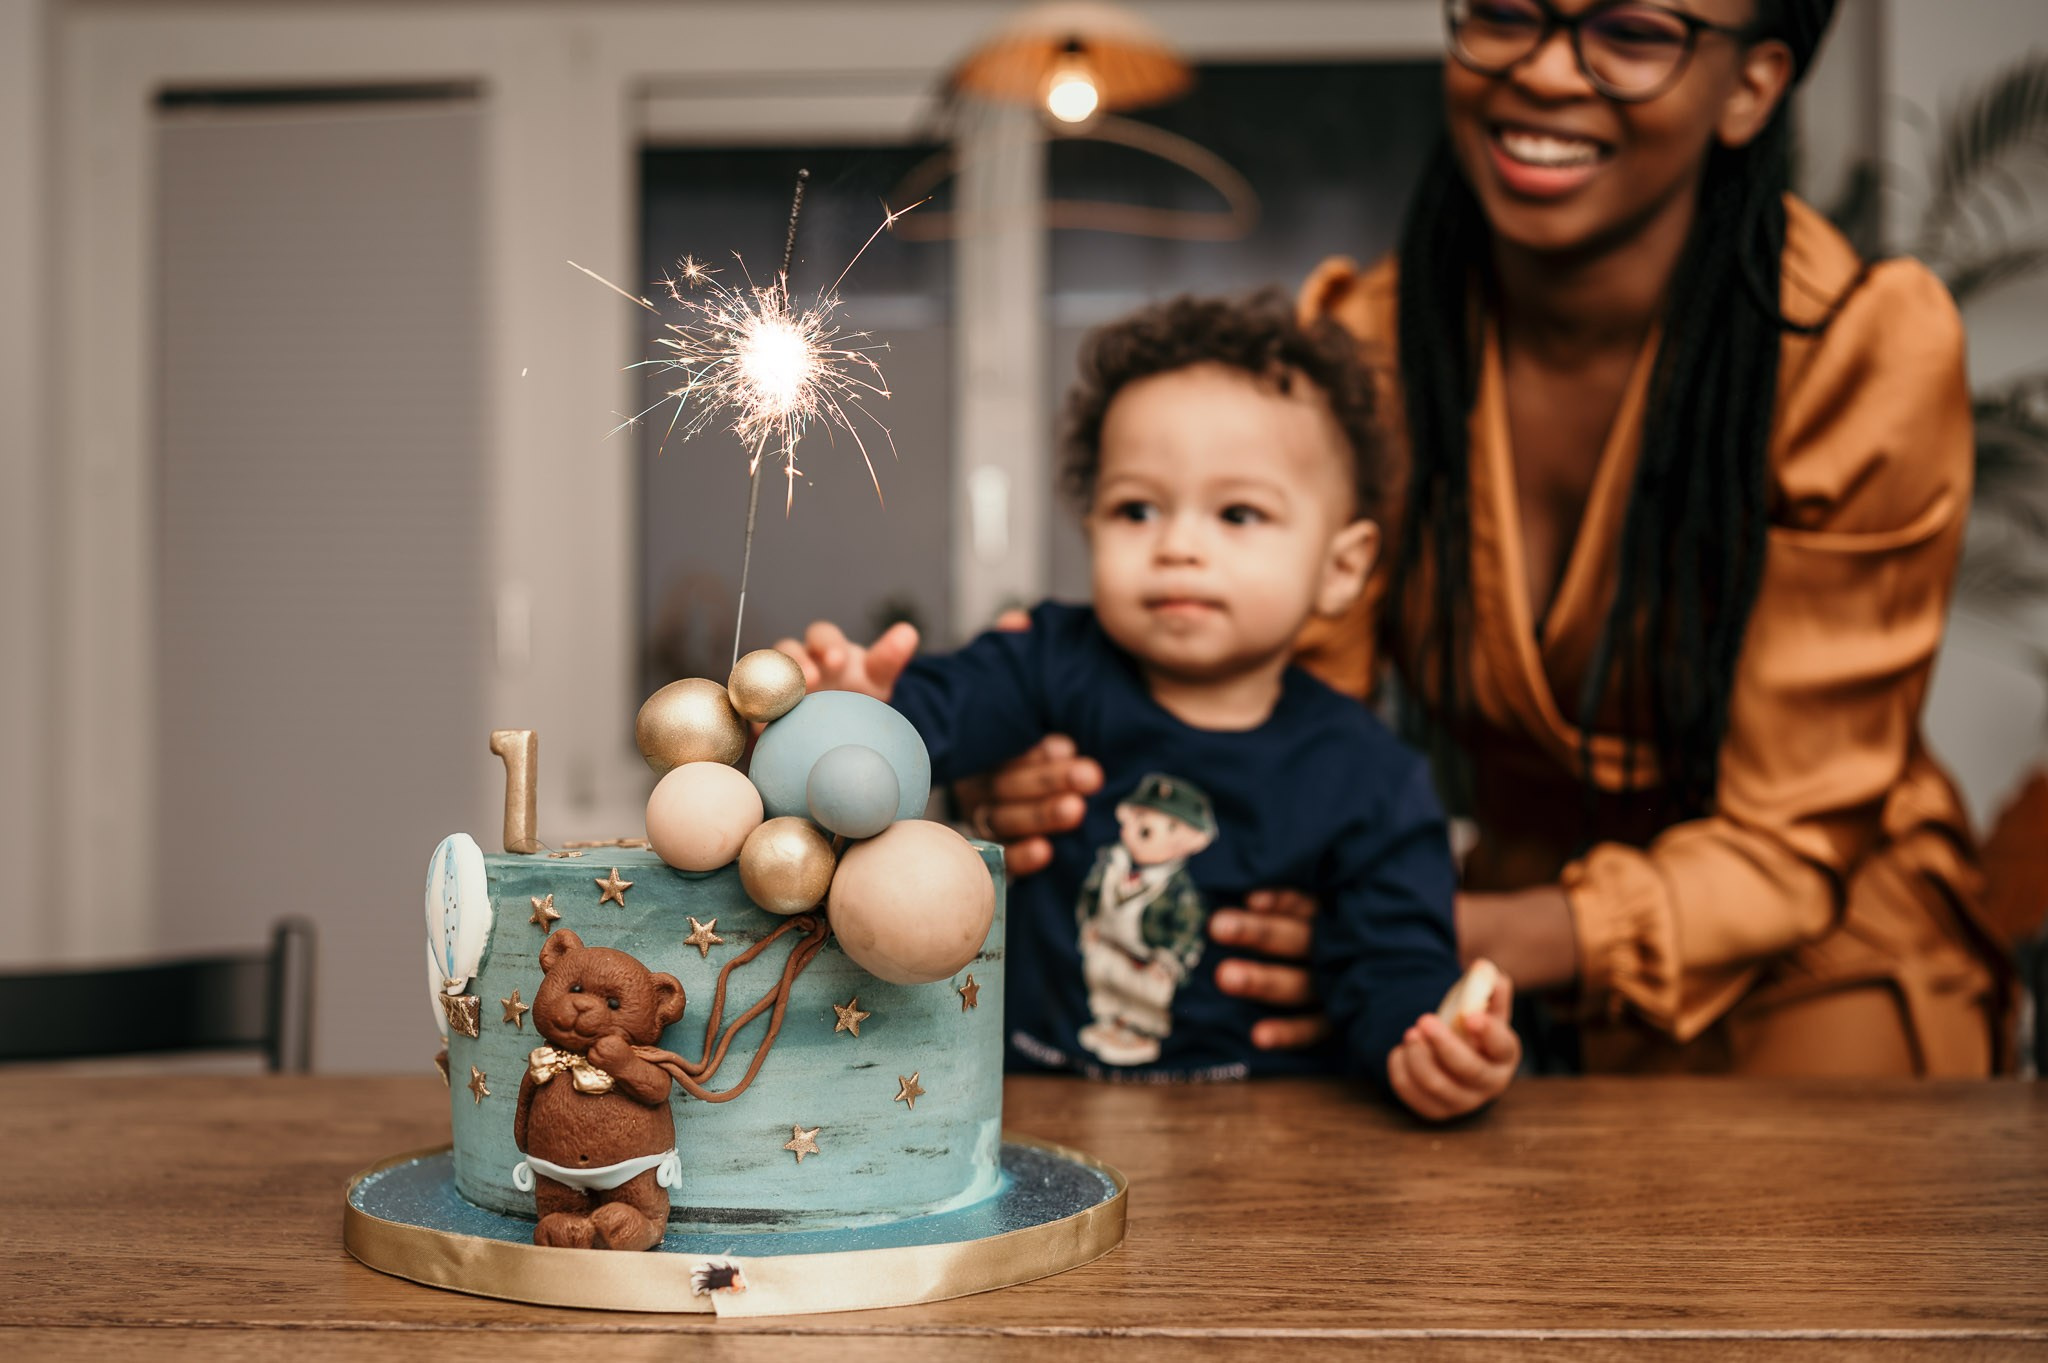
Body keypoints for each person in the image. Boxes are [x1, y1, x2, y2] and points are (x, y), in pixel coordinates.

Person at [970, 0, 2009, 1076]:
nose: (1547, 71)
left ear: (1751, 85)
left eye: (1632, 32)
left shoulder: (1854, 350)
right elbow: (1274, 720)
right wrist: (1063, 782)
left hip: (1806, 952)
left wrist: (1405, 936)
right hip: (1447, 935)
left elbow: (1787, 848)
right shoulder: (1370, 345)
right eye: (1507, 12)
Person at [784, 294, 1520, 1117]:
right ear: (1092, 525)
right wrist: (857, 711)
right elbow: (925, 721)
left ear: (1341, 567)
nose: (1178, 545)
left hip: (1265, 1134)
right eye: (1138, 509)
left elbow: (1397, 965)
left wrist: (1430, 1044)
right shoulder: (1045, 662)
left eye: (1238, 513)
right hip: (1028, 1107)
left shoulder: (1373, 778)